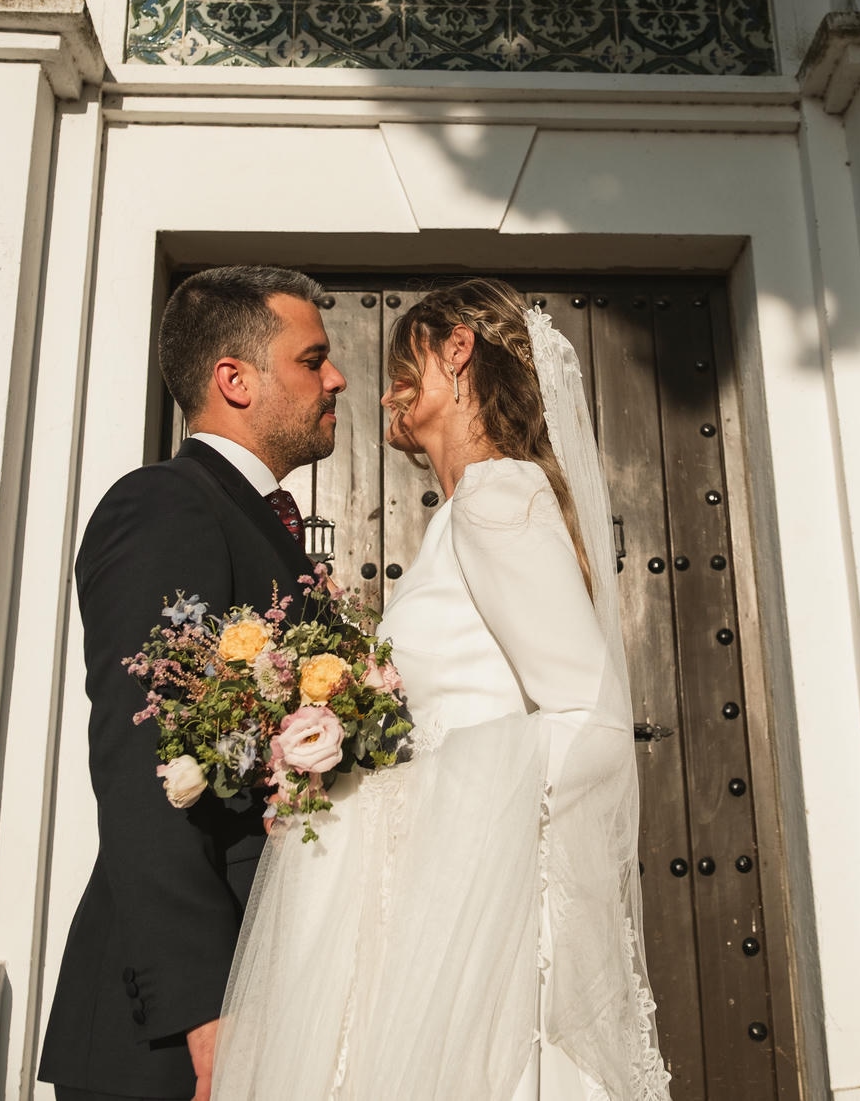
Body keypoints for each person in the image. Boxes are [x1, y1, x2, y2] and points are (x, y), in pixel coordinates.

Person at [213, 279, 671, 1100]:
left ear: (457, 349)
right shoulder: (459, 513)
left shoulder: (498, 494)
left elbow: (589, 720)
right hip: (421, 908)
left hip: (469, 914)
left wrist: (424, 803)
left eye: (405, 358)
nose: (383, 381)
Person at [39, 266, 346, 1101]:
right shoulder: (167, 506)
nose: (337, 378)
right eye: (313, 359)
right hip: (182, 1028)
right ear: (234, 380)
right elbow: (144, 761)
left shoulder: (261, 523)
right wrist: (204, 1008)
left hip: (273, 973)